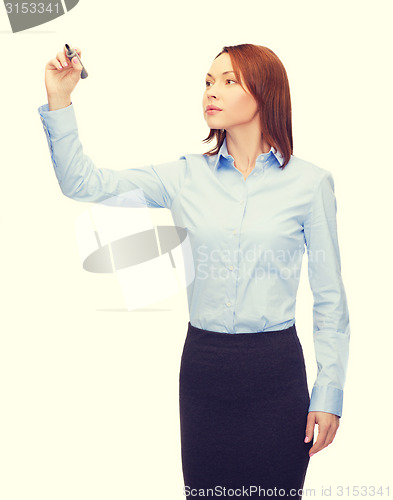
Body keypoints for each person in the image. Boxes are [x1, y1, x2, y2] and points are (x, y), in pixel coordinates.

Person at [38, 43, 351, 499]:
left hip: (275, 373)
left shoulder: (310, 183)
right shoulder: (184, 176)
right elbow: (82, 182)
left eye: (228, 81)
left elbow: (330, 297)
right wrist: (60, 99)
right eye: (207, 81)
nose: (212, 91)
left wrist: (329, 392)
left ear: (265, 93)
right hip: (205, 371)